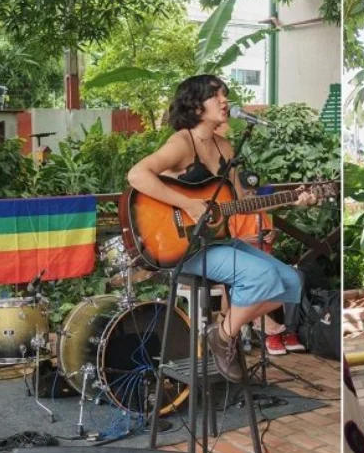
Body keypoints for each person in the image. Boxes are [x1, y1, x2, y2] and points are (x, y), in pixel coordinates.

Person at [127, 75, 314, 382]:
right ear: (196, 105)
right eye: (217, 96)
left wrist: (293, 199)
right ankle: (225, 336)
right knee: (262, 276)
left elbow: (242, 202)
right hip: (184, 246)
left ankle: (223, 331)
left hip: (217, 241)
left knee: (292, 281)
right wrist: (187, 204)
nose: (225, 101)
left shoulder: (224, 147)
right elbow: (137, 175)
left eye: (225, 95)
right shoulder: (182, 143)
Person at [215, 121, 305, 356]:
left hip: (258, 257)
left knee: (291, 278)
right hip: (226, 256)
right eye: (246, 191)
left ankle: (226, 329)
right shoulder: (229, 208)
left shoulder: (260, 211)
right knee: (252, 278)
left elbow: (268, 239)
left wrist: (272, 233)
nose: (251, 195)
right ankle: (262, 329)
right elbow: (227, 240)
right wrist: (247, 240)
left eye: (254, 192)